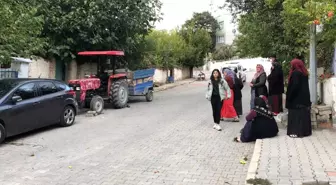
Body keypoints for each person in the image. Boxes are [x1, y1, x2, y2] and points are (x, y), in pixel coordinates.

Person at [286, 59, 312, 138]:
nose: (291, 66)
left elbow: (295, 86)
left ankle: (295, 132)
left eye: (292, 64)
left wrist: (289, 96)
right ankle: (305, 132)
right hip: (303, 99)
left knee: (295, 116)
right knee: (303, 115)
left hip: (296, 100)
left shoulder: (296, 73)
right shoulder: (304, 73)